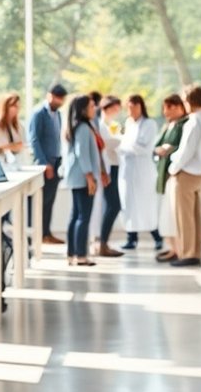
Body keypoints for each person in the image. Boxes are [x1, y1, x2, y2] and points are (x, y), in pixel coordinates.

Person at [166, 83, 201, 268]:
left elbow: (186, 151)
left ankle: (187, 254)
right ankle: (195, 252)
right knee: (194, 217)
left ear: (190, 101)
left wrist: (172, 167)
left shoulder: (193, 121)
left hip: (186, 174)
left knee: (183, 217)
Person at [118, 94, 162, 250]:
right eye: (129, 107)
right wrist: (126, 146)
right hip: (128, 171)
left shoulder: (149, 124)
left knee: (146, 204)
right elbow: (128, 145)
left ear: (141, 107)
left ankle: (157, 236)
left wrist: (124, 146)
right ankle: (132, 238)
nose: (131, 111)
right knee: (128, 204)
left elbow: (144, 148)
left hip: (144, 171)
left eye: (134, 107)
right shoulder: (128, 123)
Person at [63, 94, 103, 266]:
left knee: (76, 215)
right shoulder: (84, 128)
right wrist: (89, 176)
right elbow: (82, 153)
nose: (95, 109)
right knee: (83, 216)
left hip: (76, 176)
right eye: (92, 106)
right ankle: (80, 255)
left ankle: (72, 253)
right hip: (83, 177)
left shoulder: (77, 127)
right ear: (84, 109)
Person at [28, 84, 68, 245]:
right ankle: (37, 234)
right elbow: (34, 139)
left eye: (61, 99)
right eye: (57, 97)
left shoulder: (58, 114)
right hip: (44, 164)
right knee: (41, 201)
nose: (59, 101)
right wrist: (45, 164)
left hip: (56, 161)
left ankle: (46, 233)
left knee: (50, 200)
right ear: (49, 95)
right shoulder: (39, 113)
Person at [154, 94, 189, 263]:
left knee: (175, 216)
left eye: (169, 107)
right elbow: (156, 146)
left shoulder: (184, 125)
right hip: (165, 174)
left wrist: (169, 149)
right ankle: (172, 248)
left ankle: (180, 250)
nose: (165, 111)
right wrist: (161, 149)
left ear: (178, 107)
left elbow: (183, 148)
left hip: (176, 173)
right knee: (167, 215)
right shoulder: (169, 125)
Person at [89, 95, 124, 257]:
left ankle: (102, 243)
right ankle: (102, 244)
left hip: (113, 167)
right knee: (113, 205)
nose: (118, 111)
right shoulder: (100, 125)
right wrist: (122, 139)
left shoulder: (107, 125)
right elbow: (106, 145)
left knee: (110, 205)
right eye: (116, 107)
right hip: (108, 169)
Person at [0, 92, 26, 165]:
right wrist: (12, 146)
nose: (16, 109)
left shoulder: (19, 125)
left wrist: (9, 146)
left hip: (17, 162)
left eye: (18, 106)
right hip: (2, 162)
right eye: (13, 106)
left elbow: (21, 145)